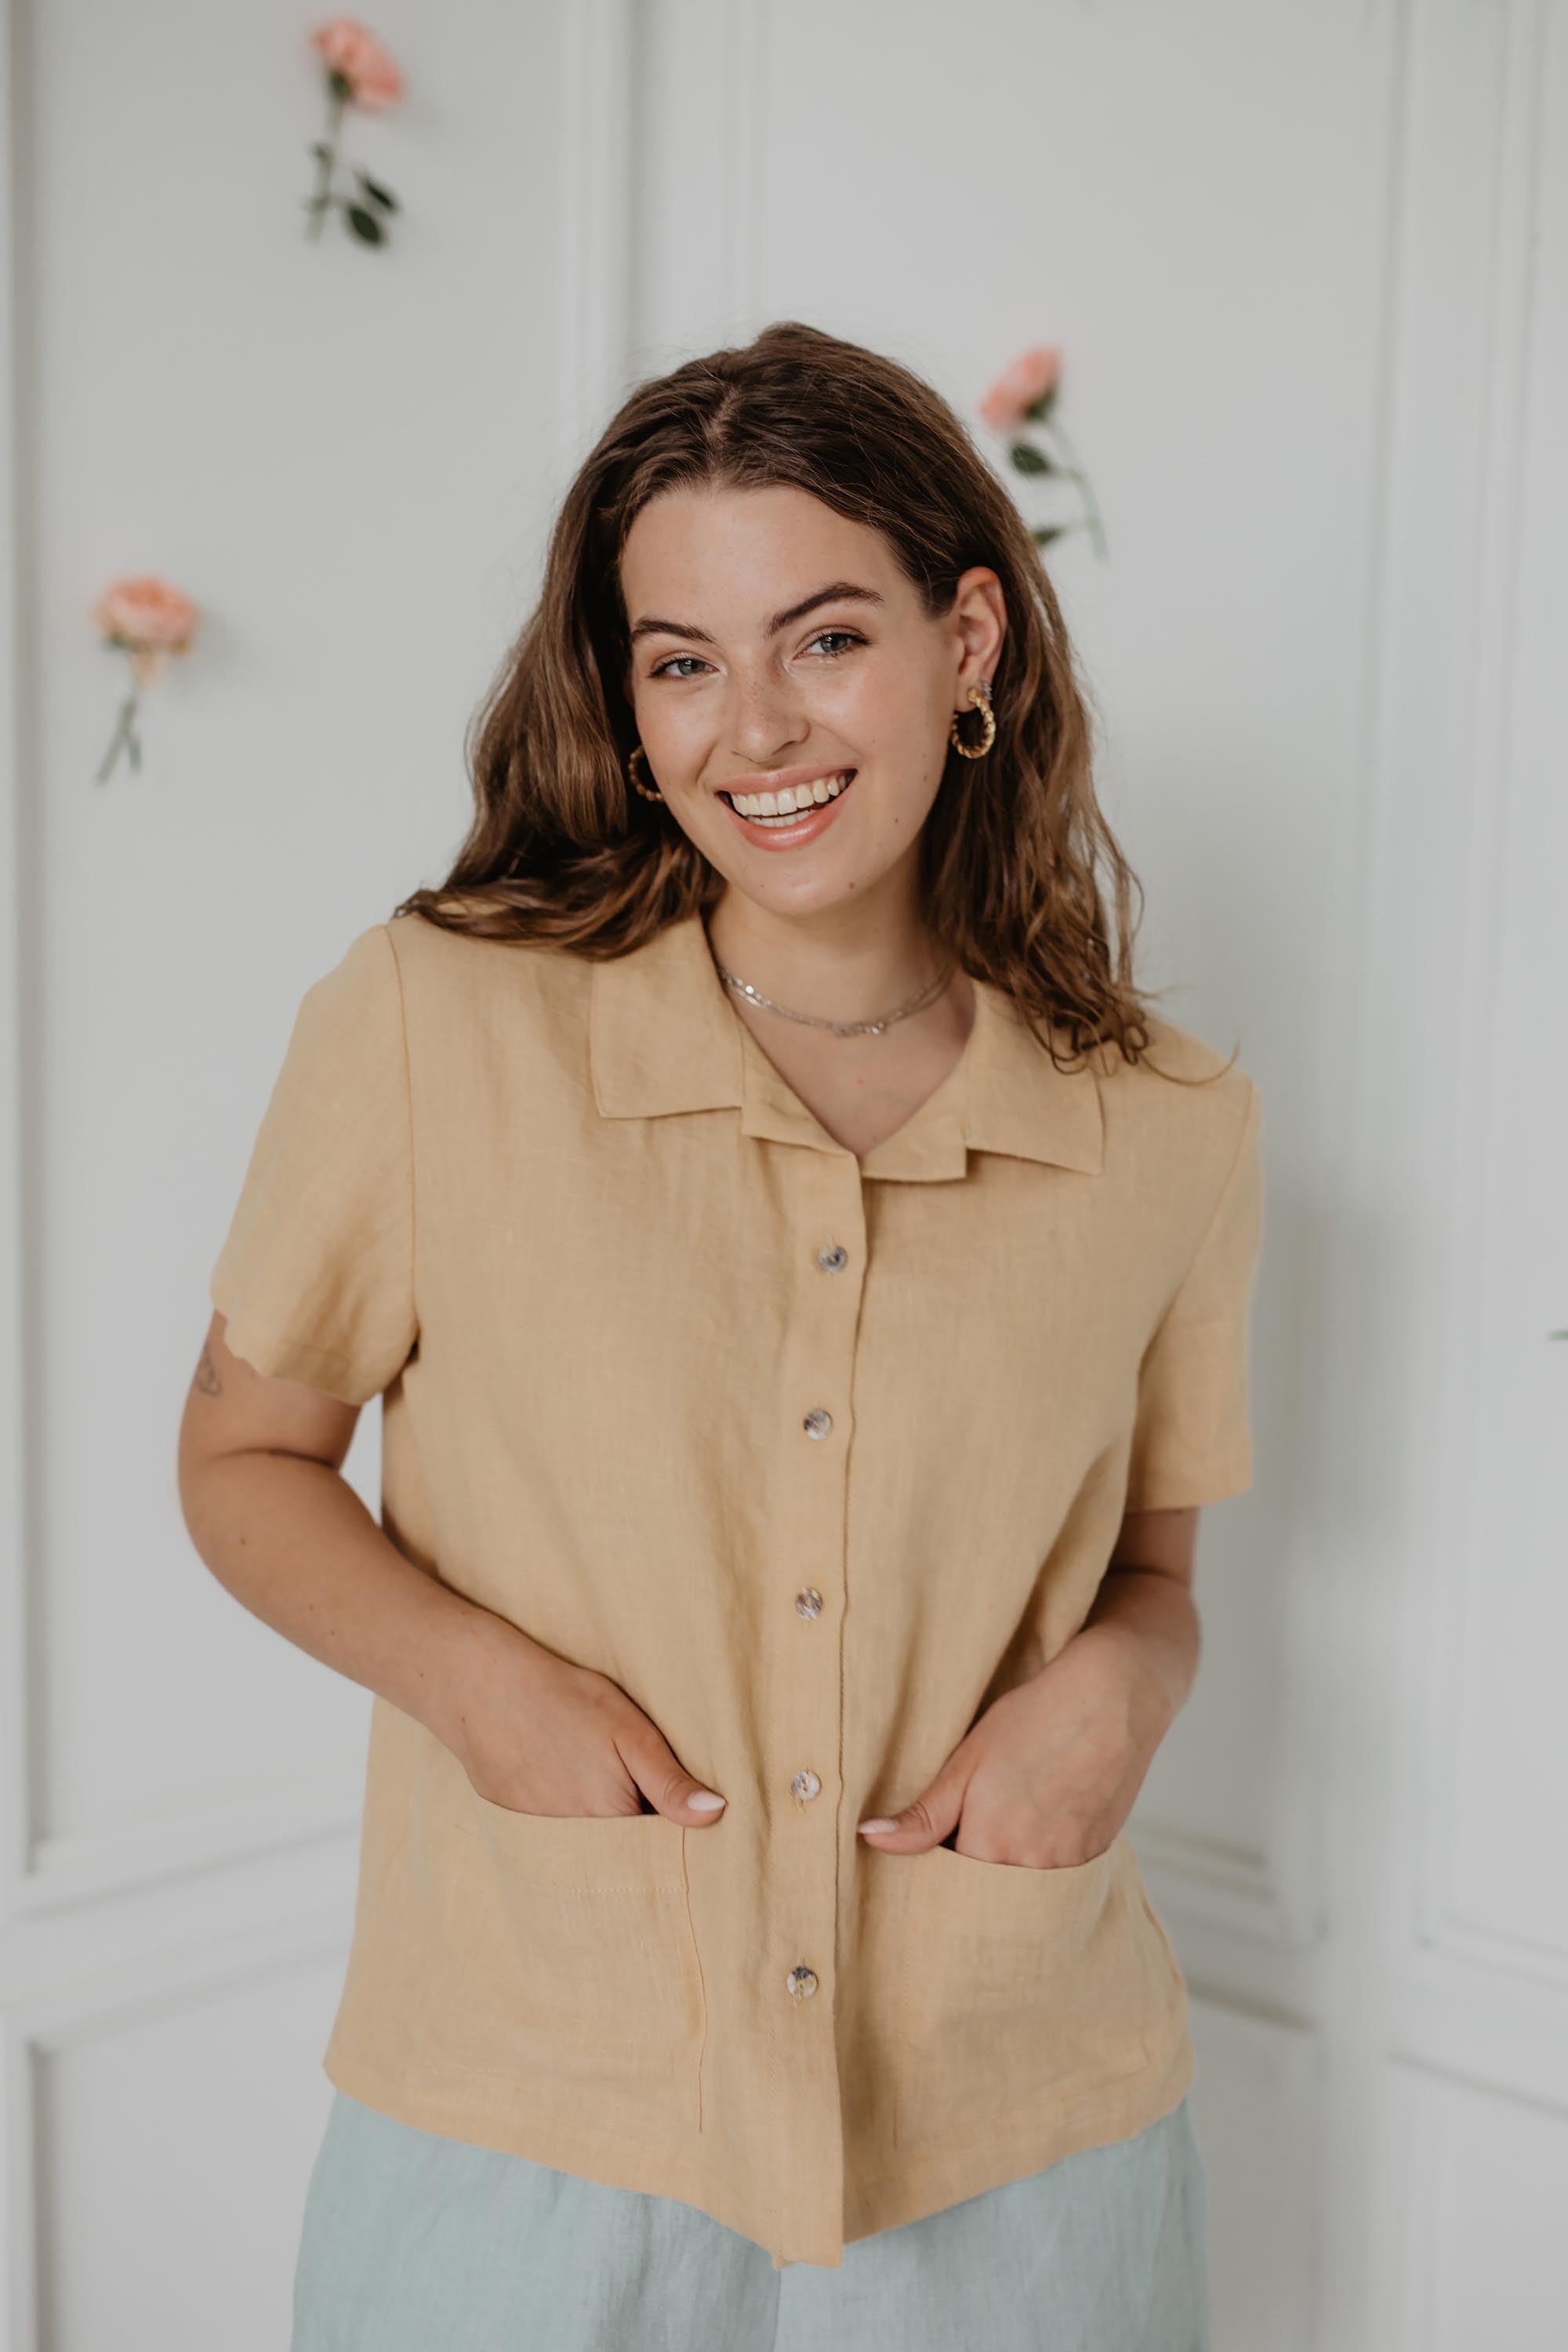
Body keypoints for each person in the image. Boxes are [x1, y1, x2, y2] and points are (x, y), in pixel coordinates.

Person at [177, 319, 1264, 2351]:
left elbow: (1155, 1578)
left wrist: (1120, 1695)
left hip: (1019, 2145)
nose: (751, 727)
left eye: (822, 638)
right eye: (682, 658)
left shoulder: (1174, 1126)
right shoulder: (439, 1023)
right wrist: (479, 1686)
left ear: (972, 645)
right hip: (529, 2129)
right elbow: (242, 1456)